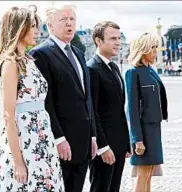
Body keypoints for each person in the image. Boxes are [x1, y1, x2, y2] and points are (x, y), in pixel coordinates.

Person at [0, 6, 64, 192]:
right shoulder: (10, 63)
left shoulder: (29, 60)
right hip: (24, 140)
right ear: (19, 28)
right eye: (32, 26)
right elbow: (8, 114)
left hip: (42, 136)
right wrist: (18, 161)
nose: (37, 31)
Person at [29, 4, 98, 192]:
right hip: (62, 142)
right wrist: (58, 137)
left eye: (72, 19)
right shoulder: (40, 54)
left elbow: (87, 97)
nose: (69, 24)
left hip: (84, 142)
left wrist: (92, 134)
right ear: (50, 26)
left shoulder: (79, 53)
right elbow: (46, 101)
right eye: (63, 19)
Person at [87, 21, 132, 192]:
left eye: (119, 38)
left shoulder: (113, 67)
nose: (118, 42)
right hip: (104, 146)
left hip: (118, 143)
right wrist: (102, 146)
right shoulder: (92, 69)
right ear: (98, 41)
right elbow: (93, 112)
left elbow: (119, 110)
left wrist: (125, 142)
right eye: (112, 38)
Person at [125, 32, 168, 192]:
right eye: (152, 48)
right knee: (143, 173)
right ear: (142, 50)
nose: (155, 52)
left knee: (149, 172)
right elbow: (132, 109)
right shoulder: (133, 72)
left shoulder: (151, 71)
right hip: (143, 131)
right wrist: (137, 139)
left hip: (154, 128)